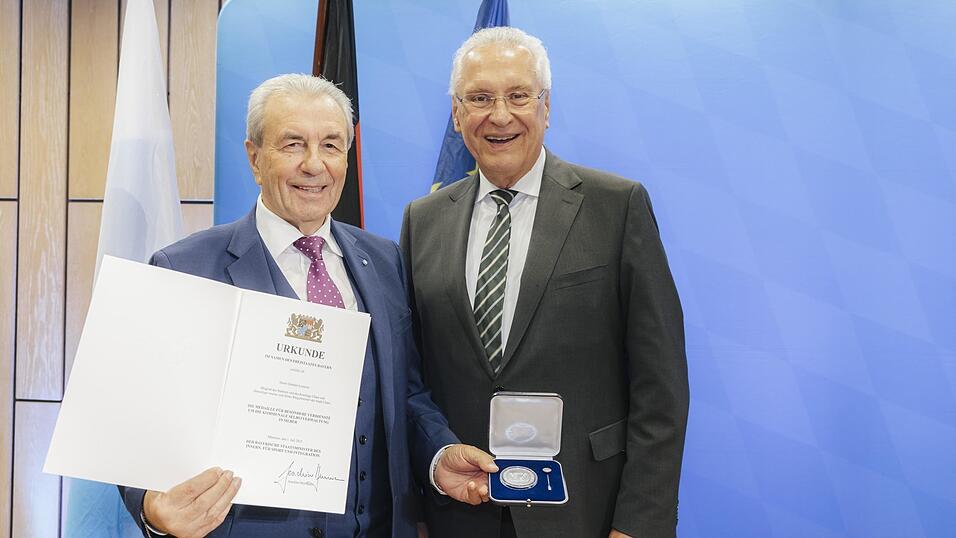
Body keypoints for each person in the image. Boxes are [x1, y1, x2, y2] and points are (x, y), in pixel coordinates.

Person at [119, 73, 498, 538]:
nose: (314, 165)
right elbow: (141, 423)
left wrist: (439, 457)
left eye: (332, 145)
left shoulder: (384, 261)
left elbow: (408, 394)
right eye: (293, 145)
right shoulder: (185, 268)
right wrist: (154, 510)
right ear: (255, 158)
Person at [401, 28, 689, 538]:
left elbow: (660, 387)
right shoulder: (422, 221)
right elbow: (410, 377)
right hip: (461, 513)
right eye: (480, 98)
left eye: (518, 95)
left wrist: (638, 526)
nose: (500, 114)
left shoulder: (616, 206)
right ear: (456, 113)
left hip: (588, 513)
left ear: (546, 106)